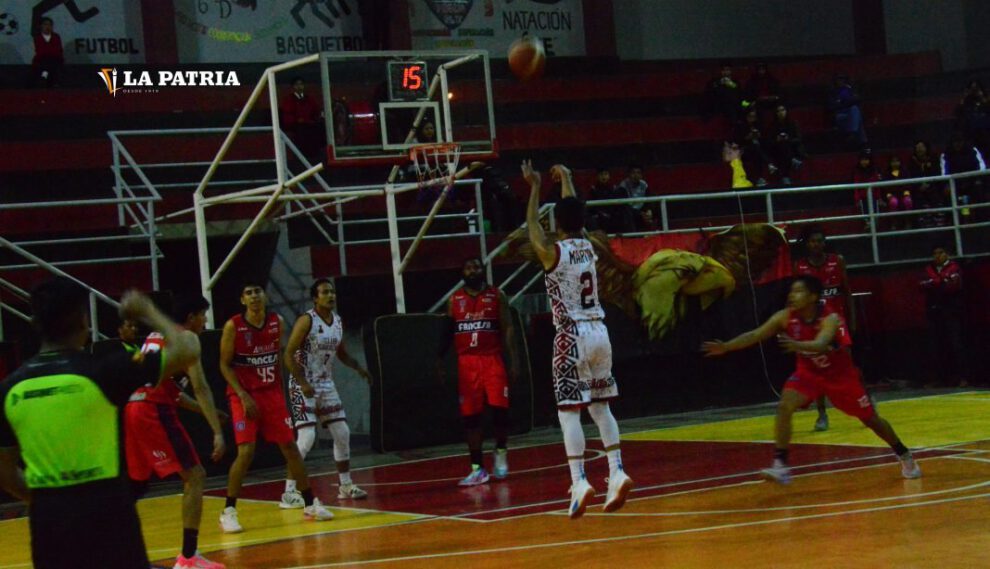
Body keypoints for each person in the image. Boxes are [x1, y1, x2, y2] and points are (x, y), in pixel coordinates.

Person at [0, 278, 200, 568]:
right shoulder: (103, 371)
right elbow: (188, 348)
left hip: (49, 524)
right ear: (84, 321)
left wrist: (46, 501)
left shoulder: (8, 390)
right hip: (109, 514)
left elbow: (5, 472)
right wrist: (148, 311)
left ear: (35, 323)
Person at [702, 276, 922, 484]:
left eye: (798, 291)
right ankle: (781, 465)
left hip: (840, 377)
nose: (792, 295)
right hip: (809, 373)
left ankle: (903, 453)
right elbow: (755, 334)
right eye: (791, 291)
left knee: (871, 420)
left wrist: (797, 345)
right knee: (785, 406)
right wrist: (727, 346)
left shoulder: (830, 318)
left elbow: (820, 343)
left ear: (813, 296)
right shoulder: (785, 316)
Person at [523, 159, 633, 518]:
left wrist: (535, 188)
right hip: (600, 331)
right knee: (601, 408)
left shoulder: (553, 252)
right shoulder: (587, 245)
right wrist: (568, 177)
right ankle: (617, 471)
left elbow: (532, 229)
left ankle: (579, 481)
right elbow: (573, 211)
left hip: (571, 335)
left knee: (568, 412)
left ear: (557, 223)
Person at [219, 283, 333, 533]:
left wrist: (282, 394)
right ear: (242, 300)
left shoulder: (276, 322)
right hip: (243, 395)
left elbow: (279, 358)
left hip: (271, 393)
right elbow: (224, 365)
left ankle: (309, 503)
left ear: (265, 296)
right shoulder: (233, 326)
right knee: (246, 452)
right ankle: (228, 511)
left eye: (257, 291)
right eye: (248, 293)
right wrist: (242, 395)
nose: (254, 296)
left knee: (291, 447)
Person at [124, 295, 226, 569]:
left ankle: (111, 550)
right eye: (203, 315)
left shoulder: (155, 337)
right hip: (152, 410)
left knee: (134, 485)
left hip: (132, 408)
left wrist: (205, 412)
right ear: (191, 317)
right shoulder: (187, 338)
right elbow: (201, 386)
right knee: (195, 476)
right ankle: (188, 558)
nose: (205, 320)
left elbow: (173, 393)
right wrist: (217, 432)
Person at [281, 279, 372, 507]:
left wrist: (359, 368)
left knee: (342, 432)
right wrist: (302, 382)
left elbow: (341, 353)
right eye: (324, 292)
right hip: (302, 384)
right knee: (307, 438)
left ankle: (345, 485)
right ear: (315, 298)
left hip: (325, 384)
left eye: (332, 292)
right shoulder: (307, 320)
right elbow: (288, 354)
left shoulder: (337, 321)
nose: (330, 295)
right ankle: (289, 491)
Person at [442, 258, 517, 485]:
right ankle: (477, 468)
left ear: (483, 270)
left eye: (476, 267)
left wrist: (514, 359)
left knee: (500, 412)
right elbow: (447, 333)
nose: (472, 271)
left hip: (492, 359)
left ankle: (501, 450)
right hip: (467, 363)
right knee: (471, 418)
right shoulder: (454, 300)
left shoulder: (497, 295)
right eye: (468, 267)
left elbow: (508, 327)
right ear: (462, 272)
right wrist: (439, 360)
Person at [793, 227, 853, 432]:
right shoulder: (800, 266)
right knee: (817, 369)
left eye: (820, 241)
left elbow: (847, 291)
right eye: (812, 241)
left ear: (824, 243)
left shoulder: (837, 260)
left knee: (848, 363)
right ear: (807, 244)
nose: (816, 244)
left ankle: (864, 400)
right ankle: (822, 413)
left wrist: (852, 320)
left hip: (837, 321)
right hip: (814, 324)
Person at [920, 246, 968, 387]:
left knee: (955, 344)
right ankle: (938, 378)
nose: (937, 256)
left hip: (951, 312)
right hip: (934, 312)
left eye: (940, 253)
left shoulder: (954, 268)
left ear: (947, 254)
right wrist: (942, 281)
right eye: (934, 253)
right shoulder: (928, 269)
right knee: (935, 346)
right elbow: (921, 286)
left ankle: (962, 377)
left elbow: (953, 286)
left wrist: (934, 282)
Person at [30, 17, 63, 88]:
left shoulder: (56, 37)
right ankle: (44, 79)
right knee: (45, 66)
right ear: (41, 26)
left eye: (49, 25)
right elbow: (41, 51)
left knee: (52, 65)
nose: (47, 27)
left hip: (55, 60)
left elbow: (58, 50)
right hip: (42, 60)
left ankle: (51, 81)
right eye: (45, 24)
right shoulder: (38, 37)